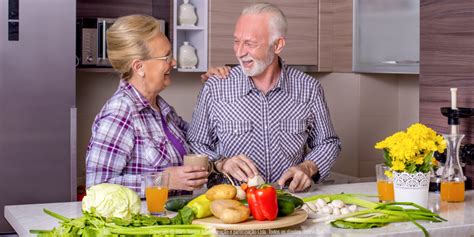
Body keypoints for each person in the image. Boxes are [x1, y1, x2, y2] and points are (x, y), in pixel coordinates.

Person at [187, 3, 341, 192]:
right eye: (237, 41)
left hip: (290, 202)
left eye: (250, 43)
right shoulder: (216, 87)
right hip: (231, 207)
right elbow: (195, 143)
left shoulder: (309, 88)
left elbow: (328, 143)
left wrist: (307, 168)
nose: (240, 52)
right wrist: (221, 163)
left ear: (277, 45)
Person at [85, 15, 227, 197]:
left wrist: (214, 86)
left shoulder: (161, 109)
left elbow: (199, 140)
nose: (173, 62)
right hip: (141, 224)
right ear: (139, 67)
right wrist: (163, 180)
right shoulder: (120, 112)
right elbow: (96, 187)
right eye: (166, 57)